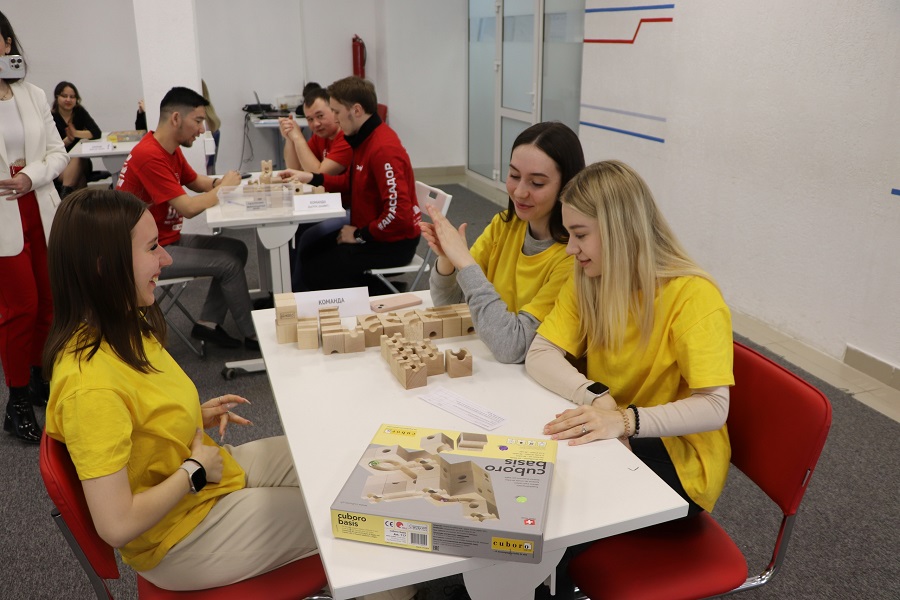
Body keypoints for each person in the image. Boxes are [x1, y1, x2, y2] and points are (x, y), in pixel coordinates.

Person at [42, 189, 318, 591]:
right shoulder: (90, 388)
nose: (167, 258)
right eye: (152, 247)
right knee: (346, 517)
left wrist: (187, 415)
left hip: (201, 483)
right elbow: (116, 524)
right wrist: (193, 471)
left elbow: (135, 420)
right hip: (183, 534)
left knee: (326, 462)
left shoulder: (124, 322)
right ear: (104, 266)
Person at [525, 160, 734, 599]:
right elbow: (540, 353)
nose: (571, 249)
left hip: (681, 457)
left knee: (556, 513)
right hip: (614, 425)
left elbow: (715, 407)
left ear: (620, 230)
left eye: (580, 234)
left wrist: (625, 421)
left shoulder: (693, 296)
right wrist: (596, 397)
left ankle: (532, 585)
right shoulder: (591, 278)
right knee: (539, 479)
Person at [421, 122, 584, 363]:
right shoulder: (504, 225)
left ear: (566, 185)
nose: (519, 192)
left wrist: (465, 262)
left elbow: (513, 347)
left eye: (537, 183)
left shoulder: (574, 257)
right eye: (514, 176)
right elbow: (453, 304)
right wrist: (448, 260)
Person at [116, 86, 258, 350]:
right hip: (141, 252)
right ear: (176, 119)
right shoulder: (149, 155)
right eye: (198, 120)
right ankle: (255, 337)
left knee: (237, 249)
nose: (202, 129)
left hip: (165, 240)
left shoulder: (168, 149)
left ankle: (208, 324)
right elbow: (189, 208)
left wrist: (220, 183)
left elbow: (196, 182)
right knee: (228, 264)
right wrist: (223, 189)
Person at [278, 76, 421, 295]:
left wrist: (360, 235)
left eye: (336, 112)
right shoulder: (363, 139)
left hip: (392, 243)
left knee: (316, 270)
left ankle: (385, 293)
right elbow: (351, 183)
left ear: (356, 110)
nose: (335, 119)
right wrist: (313, 178)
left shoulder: (383, 148)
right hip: (374, 233)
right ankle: (376, 290)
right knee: (310, 253)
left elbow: (398, 214)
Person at [0, 10, 69, 443]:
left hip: (39, 206)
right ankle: (17, 400)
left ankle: (41, 378)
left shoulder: (34, 94)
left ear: (7, 43)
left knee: (49, 301)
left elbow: (59, 153)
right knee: (19, 308)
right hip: (2, 216)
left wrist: (31, 175)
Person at [279, 81, 352, 290]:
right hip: (330, 204)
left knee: (302, 233)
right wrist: (290, 138)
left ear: (334, 112)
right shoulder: (322, 137)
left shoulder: (345, 139)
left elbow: (318, 173)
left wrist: (298, 137)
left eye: (320, 116)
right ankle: (287, 290)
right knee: (290, 229)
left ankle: (297, 291)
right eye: (310, 119)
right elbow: (294, 168)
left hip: (350, 208)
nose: (315, 124)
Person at [51, 80, 101, 197]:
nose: (68, 100)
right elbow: (50, 147)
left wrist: (76, 133)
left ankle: (65, 195)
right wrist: (68, 140)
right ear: (57, 97)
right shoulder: (51, 117)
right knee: (79, 178)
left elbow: (96, 133)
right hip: (60, 162)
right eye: (64, 96)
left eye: (72, 97)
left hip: (82, 162)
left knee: (78, 157)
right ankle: (78, 201)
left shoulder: (79, 112)